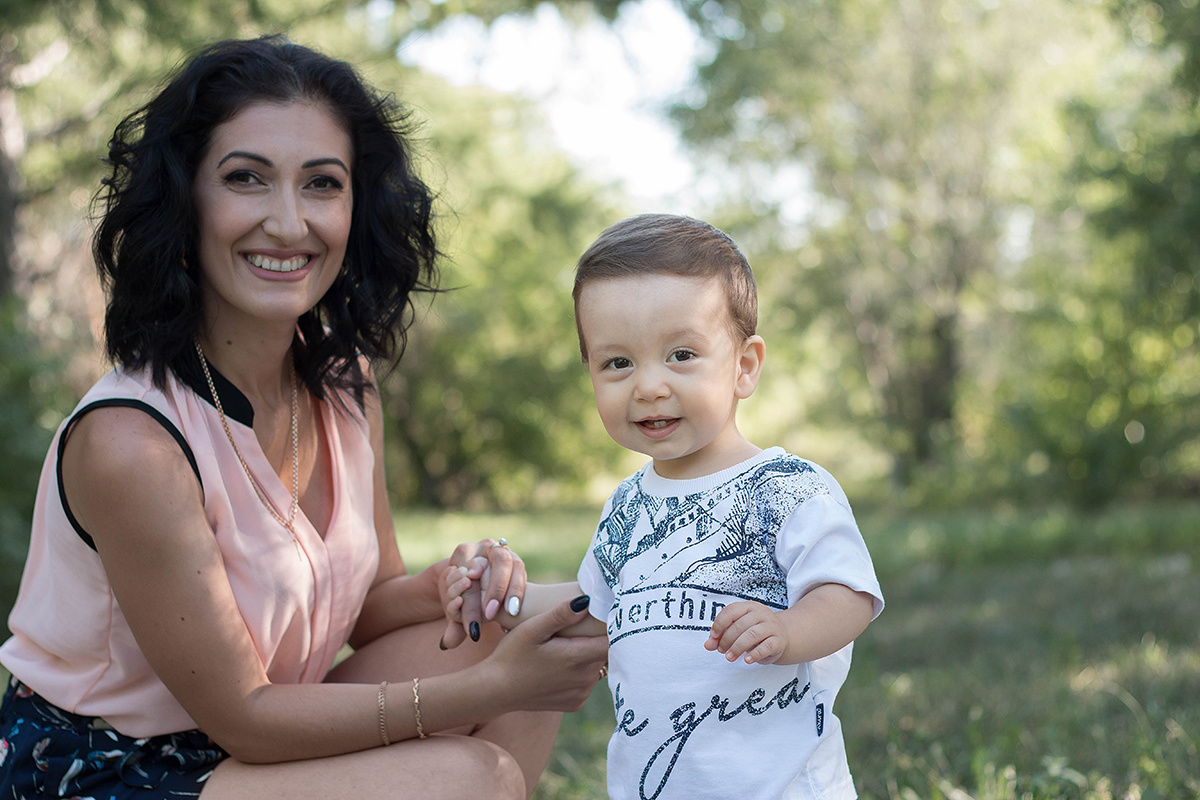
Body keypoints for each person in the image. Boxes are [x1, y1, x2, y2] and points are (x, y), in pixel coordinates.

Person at [0, 36, 608, 800]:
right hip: (109, 766)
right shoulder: (133, 443)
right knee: (468, 776)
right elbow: (246, 719)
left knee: (546, 620)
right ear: (185, 197)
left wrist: (453, 584)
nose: (288, 224)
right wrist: (489, 689)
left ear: (358, 206)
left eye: (321, 184)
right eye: (247, 179)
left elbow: (375, 605)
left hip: (253, 744)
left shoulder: (342, 384)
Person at [444, 214, 885, 799]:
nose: (648, 385)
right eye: (617, 363)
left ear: (744, 366)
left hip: (777, 786)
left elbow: (849, 593)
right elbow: (598, 609)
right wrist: (504, 599)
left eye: (680, 354)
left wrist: (789, 627)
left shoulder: (789, 487)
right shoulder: (626, 506)